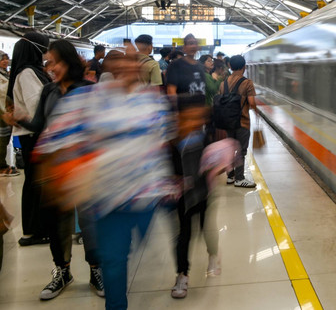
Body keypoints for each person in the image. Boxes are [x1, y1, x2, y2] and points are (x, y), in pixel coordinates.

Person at [34, 52, 175, 310]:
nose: (130, 68)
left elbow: (159, 144)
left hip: (146, 198)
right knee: (114, 261)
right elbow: (52, 142)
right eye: (122, 63)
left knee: (142, 258)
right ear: (109, 69)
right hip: (108, 200)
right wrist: (59, 180)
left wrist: (167, 183)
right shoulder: (88, 100)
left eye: (134, 63)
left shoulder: (152, 102)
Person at [6, 40, 101, 300]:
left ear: (69, 61)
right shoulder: (49, 91)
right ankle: (63, 271)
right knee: (57, 225)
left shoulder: (90, 91)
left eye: (56, 62)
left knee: (90, 224)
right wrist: (19, 118)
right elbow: (39, 124)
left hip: (84, 168)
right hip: (56, 170)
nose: (51, 67)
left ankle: (96, 270)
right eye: (48, 62)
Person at [170, 94, 225, 299]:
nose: (194, 122)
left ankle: (213, 255)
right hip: (182, 198)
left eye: (198, 117)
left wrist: (217, 166)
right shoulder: (173, 142)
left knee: (207, 229)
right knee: (183, 236)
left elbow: (214, 165)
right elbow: (170, 170)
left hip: (204, 194)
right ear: (180, 117)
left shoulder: (205, 137)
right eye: (189, 118)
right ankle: (182, 274)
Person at [7, 32, 51, 246]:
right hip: (33, 136)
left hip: (32, 135)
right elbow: (36, 107)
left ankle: (37, 228)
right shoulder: (27, 73)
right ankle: (34, 230)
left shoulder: (27, 72)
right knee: (35, 184)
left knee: (35, 183)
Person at [219, 55, 257, 188]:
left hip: (228, 122)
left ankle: (230, 176)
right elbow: (251, 103)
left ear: (230, 66)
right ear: (244, 67)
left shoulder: (223, 83)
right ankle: (240, 178)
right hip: (242, 122)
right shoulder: (247, 83)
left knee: (230, 148)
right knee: (241, 150)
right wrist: (256, 111)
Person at [0, 51, 17, 177]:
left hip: (6, 110)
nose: (5, 61)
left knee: (5, 139)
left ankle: (3, 164)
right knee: (1, 140)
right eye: (2, 59)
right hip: (1, 111)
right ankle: (1, 167)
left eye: (6, 59)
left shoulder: (5, 74)